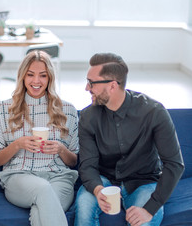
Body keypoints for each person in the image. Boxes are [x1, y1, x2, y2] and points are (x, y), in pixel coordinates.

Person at [74, 53, 185, 226]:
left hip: (143, 182)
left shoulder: (154, 112)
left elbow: (174, 164)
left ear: (112, 86)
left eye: (91, 83)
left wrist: (150, 209)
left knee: (144, 222)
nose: (87, 88)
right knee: (83, 207)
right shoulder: (88, 116)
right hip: (104, 180)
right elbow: (87, 165)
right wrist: (98, 189)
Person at [0, 50, 79, 226]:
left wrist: (60, 149)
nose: (36, 81)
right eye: (30, 75)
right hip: (18, 177)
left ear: (50, 78)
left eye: (43, 75)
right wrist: (18, 144)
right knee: (43, 190)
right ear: (22, 77)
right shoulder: (4, 109)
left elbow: (73, 161)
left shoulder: (68, 110)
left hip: (59, 177)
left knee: (40, 210)